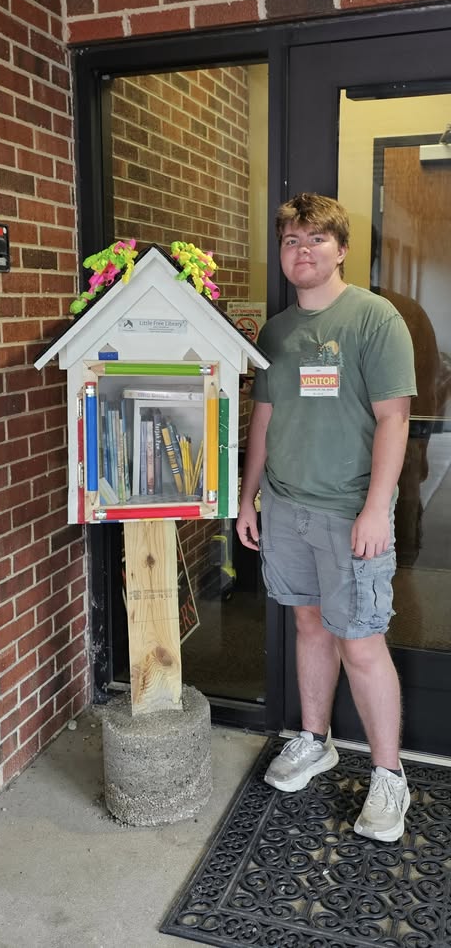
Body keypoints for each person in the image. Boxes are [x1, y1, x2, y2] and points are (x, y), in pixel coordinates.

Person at [236, 192, 417, 843]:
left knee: (361, 642)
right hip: (286, 507)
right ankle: (316, 741)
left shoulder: (374, 319)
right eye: (290, 241)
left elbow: (395, 419)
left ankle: (390, 775)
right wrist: (246, 493)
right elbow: (266, 416)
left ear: (341, 249)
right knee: (309, 625)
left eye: (315, 239)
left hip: (349, 511)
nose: (301, 251)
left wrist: (375, 507)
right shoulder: (277, 331)